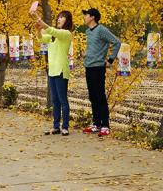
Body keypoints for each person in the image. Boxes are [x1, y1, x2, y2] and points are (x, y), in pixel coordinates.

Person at [81, 8, 121, 137]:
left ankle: (105, 125)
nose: (84, 17)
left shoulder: (101, 30)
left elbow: (116, 42)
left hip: (98, 67)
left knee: (100, 96)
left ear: (92, 17)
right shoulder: (88, 31)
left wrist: (110, 59)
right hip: (89, 67)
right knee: (92, 96)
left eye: (86, 15)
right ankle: (96, 124)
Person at [36, 11, 74, 136]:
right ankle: (55, 126)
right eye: (58, 17)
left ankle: (65, 126)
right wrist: (38, 29)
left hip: (61, 70)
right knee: (55, 100)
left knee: (63, 100)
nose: (59, 19)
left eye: (62, 17)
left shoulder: (66, 34)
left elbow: (52, 30)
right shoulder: (54, 35)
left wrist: (41, 22)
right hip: (52, 70)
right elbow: (42, 37)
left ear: (67, 20)